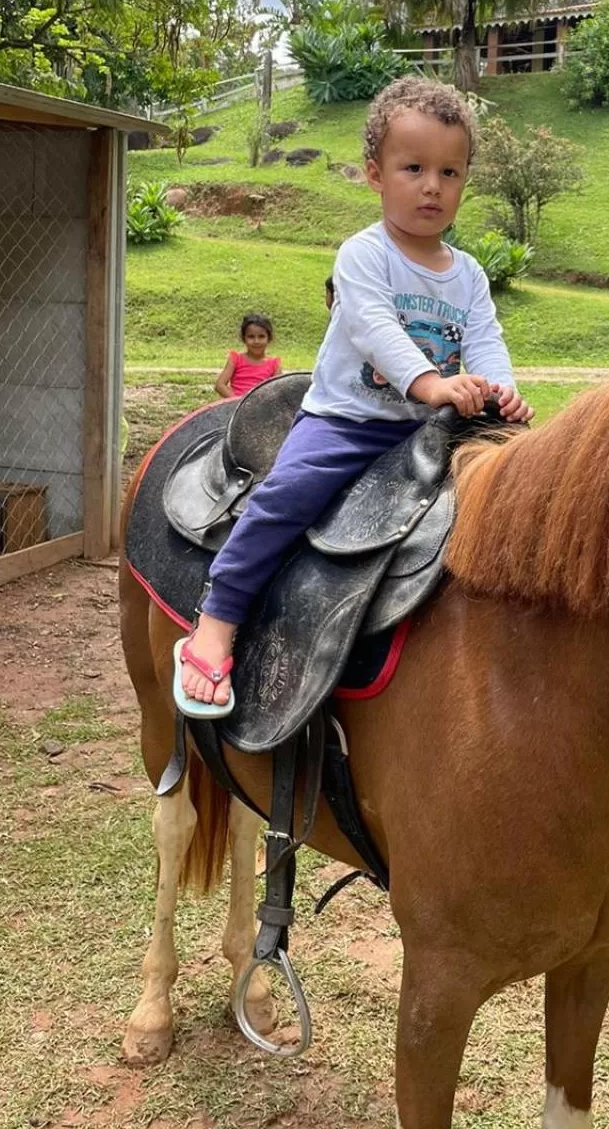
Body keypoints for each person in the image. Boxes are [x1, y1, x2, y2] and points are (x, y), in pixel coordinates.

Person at [176, 77, 534, 711]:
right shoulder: (363, 255)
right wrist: (431, 383)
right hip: (351, 420)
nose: (432, 186)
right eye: (414, 167)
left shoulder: (470, 274)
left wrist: (500, 393)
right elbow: (376, 330)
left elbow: (485, 340)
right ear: (376, 173)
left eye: (450, 172)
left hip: (437, 426)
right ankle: (218, 618)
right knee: (286, 497)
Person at [214, 314, 282, 399]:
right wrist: (238, 402)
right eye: (251, 337)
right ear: (244, 338)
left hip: (261, 406)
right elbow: (220, 385)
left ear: (269, 338)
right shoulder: (236, 359)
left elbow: (278, 390)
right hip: (237, 407)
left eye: (261, 336)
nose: (256, 341)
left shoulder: (274, 364)